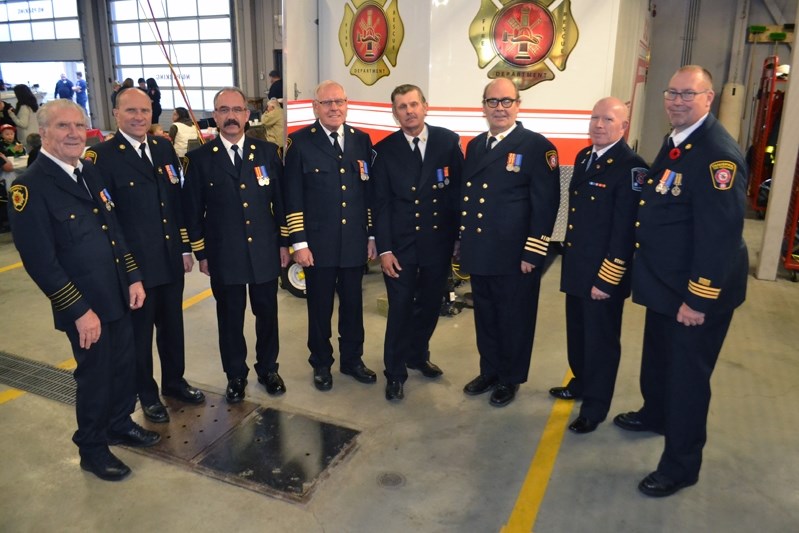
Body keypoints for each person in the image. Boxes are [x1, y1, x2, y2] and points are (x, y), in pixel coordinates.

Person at [612, 65, 748, 497]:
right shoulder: (679, 141)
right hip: (664, 284)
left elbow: (719, 236)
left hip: (694, 291)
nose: (677, 101)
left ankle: (681, 465)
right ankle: (656, 414)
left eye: (689, 94)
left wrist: (698, 299)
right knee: (657, 361)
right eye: (672, 93)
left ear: (710, 99)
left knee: (688, 381)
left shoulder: (717, 155)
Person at [8, 99, 160, 481]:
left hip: (118, 295)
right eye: (63, 127)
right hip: (86, 306)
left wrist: (133, 277)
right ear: (42, 133)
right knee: (95, 378)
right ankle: (92, 448)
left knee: (123, 366)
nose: (74, 133)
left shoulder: (89, 172)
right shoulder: (30, 187)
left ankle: (119, 423)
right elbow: (41, 262)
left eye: (79, 125)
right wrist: (78, 311)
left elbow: (114, 232)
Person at [86, 87, 206, 424]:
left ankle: (174, 382)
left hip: (170, 260)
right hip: (135, 268)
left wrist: (184, 247)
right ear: (116, 114)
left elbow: (175, 203)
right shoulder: (101, 157)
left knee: (173, 327)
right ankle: (148, 394)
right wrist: (128, 271)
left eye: (145, 110)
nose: (139, 117)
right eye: (131, 111)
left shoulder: (163, 147)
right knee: (139, 337)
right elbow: (107, 221)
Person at [182, 87, 290, 403]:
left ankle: (268, 369)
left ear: (247, 114)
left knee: (267, 315)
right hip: (223, 254)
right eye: (223, 110)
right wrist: (201, 252)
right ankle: (236, 375)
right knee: (230, 319)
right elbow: (192, 213)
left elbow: (280, 202)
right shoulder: (198, 160)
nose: (231, 116)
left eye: (237, 110)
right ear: (215, 116)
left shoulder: (268, 153)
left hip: (265, 251)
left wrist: (284, 242)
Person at [548, 97, 647, 433]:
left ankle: (595, 408)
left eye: (607, 119)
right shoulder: (584, 157)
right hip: (577, 267)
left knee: (601, 343)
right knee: (578, 335)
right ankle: (580, 382)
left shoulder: (631, 168)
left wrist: (607, 280)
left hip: (604, 273)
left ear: (623, 126)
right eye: (594, 118)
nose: (598, 125)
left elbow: (624, 232)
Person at [460, 77, 560, 407]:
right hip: (481, 249)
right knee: (486, 315)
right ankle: (489, 370)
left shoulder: (537, 147)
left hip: (516, 254)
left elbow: (547, 204)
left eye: (506, 102)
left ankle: (510, 378)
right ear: (483, 106)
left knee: (514, 318)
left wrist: (534, 249)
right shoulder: (475, 146)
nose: (499, 108)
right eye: (493, 102)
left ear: (518, 105)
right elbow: (470, 198)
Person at [284, 80, 378, 391]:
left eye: (339, 102)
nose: (334, 108)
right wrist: (299, 243)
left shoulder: (361, 141)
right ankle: (321, 363)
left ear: (347, 104)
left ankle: (353, 360)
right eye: (327, 103)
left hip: (353, 242)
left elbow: (367, 194)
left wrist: (371, 236)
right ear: (315, 107)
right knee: (320, 309)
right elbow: (292, 196)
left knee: (353, 306)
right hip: (317, 246)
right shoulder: (299, 143)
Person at [372, 84, 463, 401]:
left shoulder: (447, 142)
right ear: (394, 113)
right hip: (400, 248)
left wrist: (458, 237)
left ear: (426, 106)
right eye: (401, 106)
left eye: (413, 104)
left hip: (437, 243)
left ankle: (417, 355)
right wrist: (384, 249)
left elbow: (456, 193)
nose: (409, 111)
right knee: (399, 309)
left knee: (429, 306)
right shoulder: (384, 150)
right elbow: (380, 204)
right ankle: (395, 372)